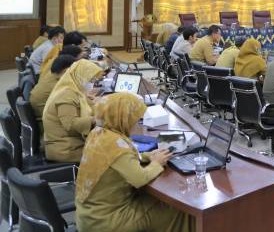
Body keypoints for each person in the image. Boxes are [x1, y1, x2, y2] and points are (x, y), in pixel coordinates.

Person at [75, 93, 192, 232]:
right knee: (178, 209)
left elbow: (118, 160)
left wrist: (148, 156)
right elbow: (139, 178)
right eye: (136, 120)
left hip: (89, 215)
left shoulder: (99, 133)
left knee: (152, 198)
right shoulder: (115, 146)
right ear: (122, 119)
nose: (138, 124)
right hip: (107, 221)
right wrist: (156, 163)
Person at [42, 59, 104, 162]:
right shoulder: (66, 95)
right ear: (80, 76)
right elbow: (71, 124)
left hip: (72, 142)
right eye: (91, 80)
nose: (92, 83)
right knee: (109, 154)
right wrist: (96, 119)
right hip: (65, 149)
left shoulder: (75, 90)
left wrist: (106, 106)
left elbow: (90, 106)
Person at [30, 53, 77, 122]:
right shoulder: (59, 86)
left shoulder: (51, 75)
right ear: (66, 70)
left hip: (42, 114)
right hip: (46, 120)